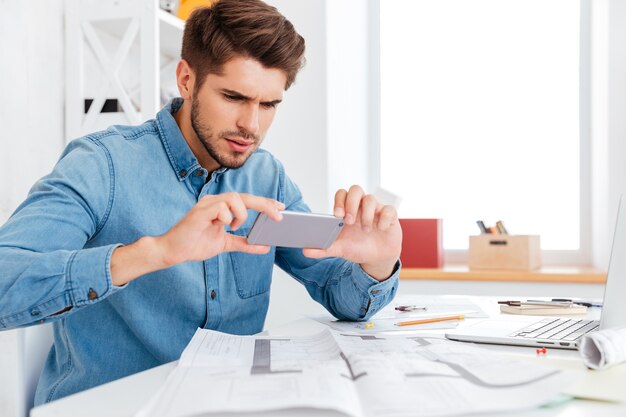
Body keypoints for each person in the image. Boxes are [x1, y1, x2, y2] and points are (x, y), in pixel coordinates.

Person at [0, 0, 402, 405]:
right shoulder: (102, 164)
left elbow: (342, 297)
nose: (251, 125)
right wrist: (155, 252)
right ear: (186, 80)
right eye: (233, 97)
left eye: (268, 105)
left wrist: (377, 263)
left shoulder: (266, 177)